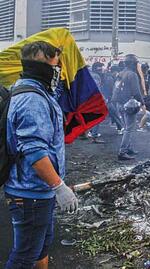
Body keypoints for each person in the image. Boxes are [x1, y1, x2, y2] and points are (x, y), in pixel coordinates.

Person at [4, 41, 78, 269]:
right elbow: (34, 152)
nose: (59, 72)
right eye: (56, 66)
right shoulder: (32, 99)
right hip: (30, 194)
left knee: (40, 250)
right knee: (24, 257)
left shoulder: (37, 92)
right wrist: (59, 187)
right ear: (42, 68)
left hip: (38, 193)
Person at [113, 54, 146, 160]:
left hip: (120, 104)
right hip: (129, 104)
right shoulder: (132, 75)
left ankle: (129, 148)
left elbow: (116, 89)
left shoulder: (120, 73)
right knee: (129, 129)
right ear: (133, 64)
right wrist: (143, 102)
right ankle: (122, 152)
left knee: (127, 127)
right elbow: (136, 92)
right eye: (136, 63)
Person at [87, 62, 106, 143]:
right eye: (100, 68)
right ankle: (94, 136)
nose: (101, 70)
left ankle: (91, 132)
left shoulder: (89, 74)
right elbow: (96, 89)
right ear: (96, 68)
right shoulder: (95, 76)